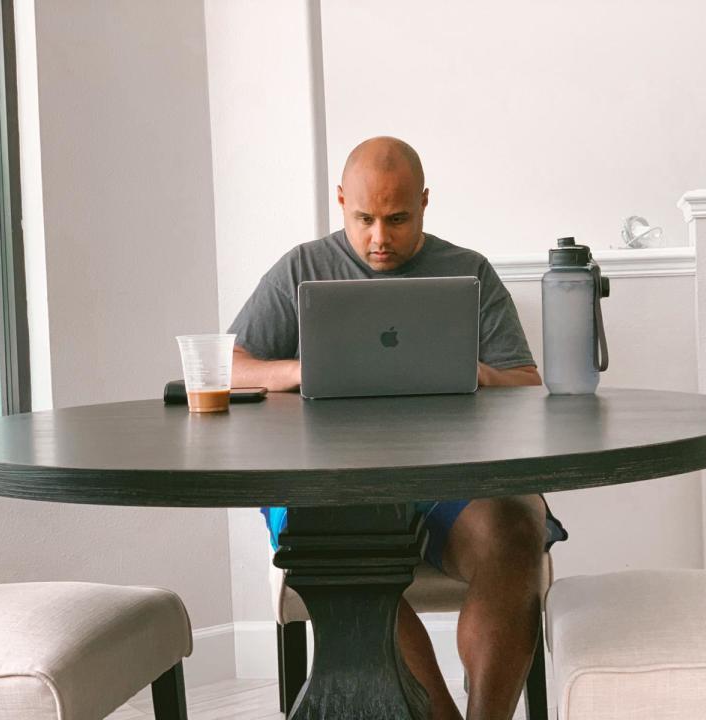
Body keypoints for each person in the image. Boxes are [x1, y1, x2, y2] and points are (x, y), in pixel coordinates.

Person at [228, 136, 567, 720]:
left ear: (426, 203)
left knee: (515, 530)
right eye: (364, 219)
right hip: (324, 480)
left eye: (398, 218)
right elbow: (231, 368)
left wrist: (480, 373)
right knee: (341, 567)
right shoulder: (300, 269)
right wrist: (301, 370)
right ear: (339, 202)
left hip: (451, 477)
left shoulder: (469, 271)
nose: (379, 238)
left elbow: (527, 382)